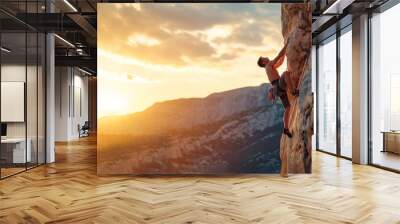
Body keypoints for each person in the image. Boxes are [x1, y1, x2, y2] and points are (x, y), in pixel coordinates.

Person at [257, 43, 298, 138]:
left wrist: (284, 53)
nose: (266, 57)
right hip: (278, 86)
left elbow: (279, 62)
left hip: (277, 89)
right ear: (263, 62)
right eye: (264, 58)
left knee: (288, 108)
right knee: (286, 74)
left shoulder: (269, 67)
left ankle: (286, 128)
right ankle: (294, 91)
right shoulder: (269, 65)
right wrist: (287, 45)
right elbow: (278, 56)